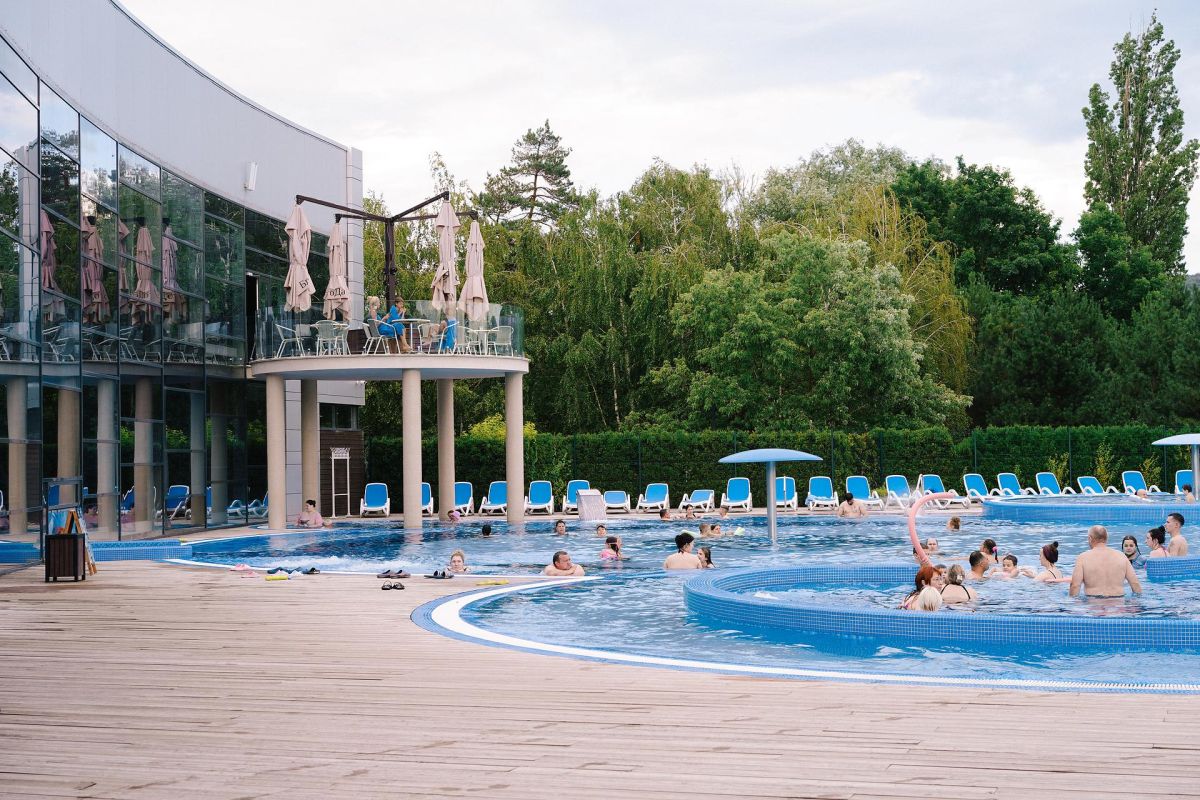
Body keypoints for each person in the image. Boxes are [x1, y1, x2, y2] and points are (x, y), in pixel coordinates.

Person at [1069, 525, 1142, 598]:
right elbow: (1135, 584)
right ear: (1107, 538)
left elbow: (1075, 586)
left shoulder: (1083, 558)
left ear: (1090, 538)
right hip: (1118, 605)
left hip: (1093, 605)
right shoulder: (1122, 556)